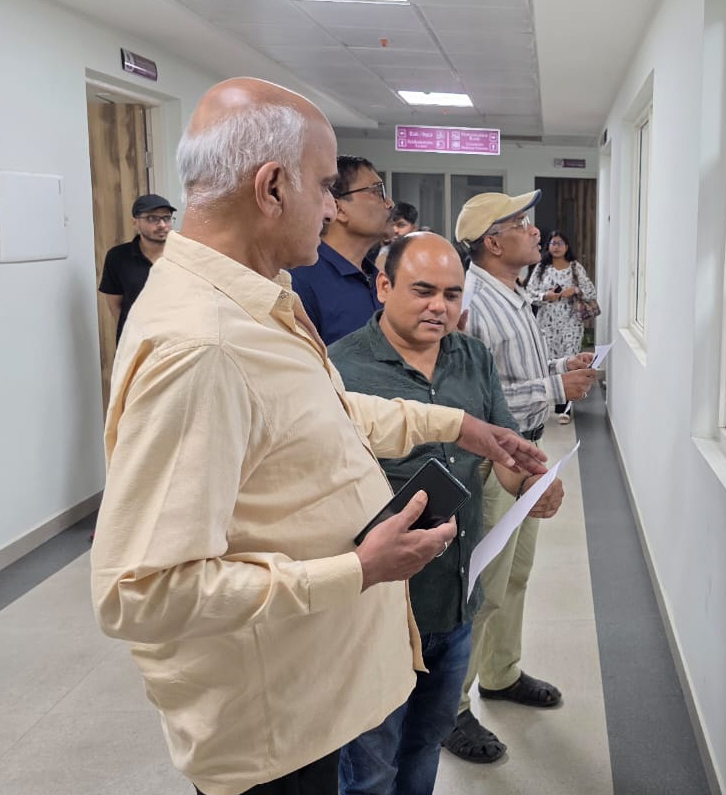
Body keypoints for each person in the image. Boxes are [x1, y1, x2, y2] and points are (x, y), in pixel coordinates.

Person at [90, 77, 547, 795]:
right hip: (276, 733)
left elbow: (322, 416)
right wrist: (358, 569)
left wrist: (458, 424)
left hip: (314, 696)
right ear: (272, 187)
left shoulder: (254, 300)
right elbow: (141, 591)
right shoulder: (205, 344)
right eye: (328, 185)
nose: (334, 208)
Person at [329, 232, 566, 794]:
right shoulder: (340, 369)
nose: (440, 306)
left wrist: (531, 483)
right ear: (383, 286)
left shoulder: (473, 357)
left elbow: (502, 454)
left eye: (453, 294)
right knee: (370, 768)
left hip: (455, 599)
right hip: (378, 610)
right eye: (423, 291)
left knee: (424, 748)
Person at [443, 191, 598, 763]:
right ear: (492, 241)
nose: (535, 232)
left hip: (526, 453)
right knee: (482, 588)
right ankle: (450, 709)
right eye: (521, 224)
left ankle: (500, 674)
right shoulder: (474, 303)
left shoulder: (514, 292)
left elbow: (514, 372)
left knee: (516, 576)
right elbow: (472, 399)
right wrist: (555, 388)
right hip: (493, 463)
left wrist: (560, 368)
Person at [287, 155, 392, 345]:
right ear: (338, 208)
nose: (390, 203)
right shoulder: (301, 280)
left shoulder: (377, 278)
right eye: (377, 191)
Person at [526, 230, 598, 423]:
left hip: (571, 324)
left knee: (570, 363)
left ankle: (565, 408)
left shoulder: (575, 268)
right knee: (549, 363)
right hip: (546, 325)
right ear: (548, 246)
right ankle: (548, 402)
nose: (556, 247)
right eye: (553, 243)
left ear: (567, 247)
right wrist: (545, 296)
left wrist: (575, 290)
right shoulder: (542, 268)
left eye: (560, 243)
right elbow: (529, 293)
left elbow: (591, 292)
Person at [98, 193, 176, 341]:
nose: (162, 225)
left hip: (176, 340)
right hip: (135, 341)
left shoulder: (184, 254)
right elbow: (115, 303)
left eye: (167, 218)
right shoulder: (118, 257)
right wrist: (130, 332)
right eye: (152, 218)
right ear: (135, 222)